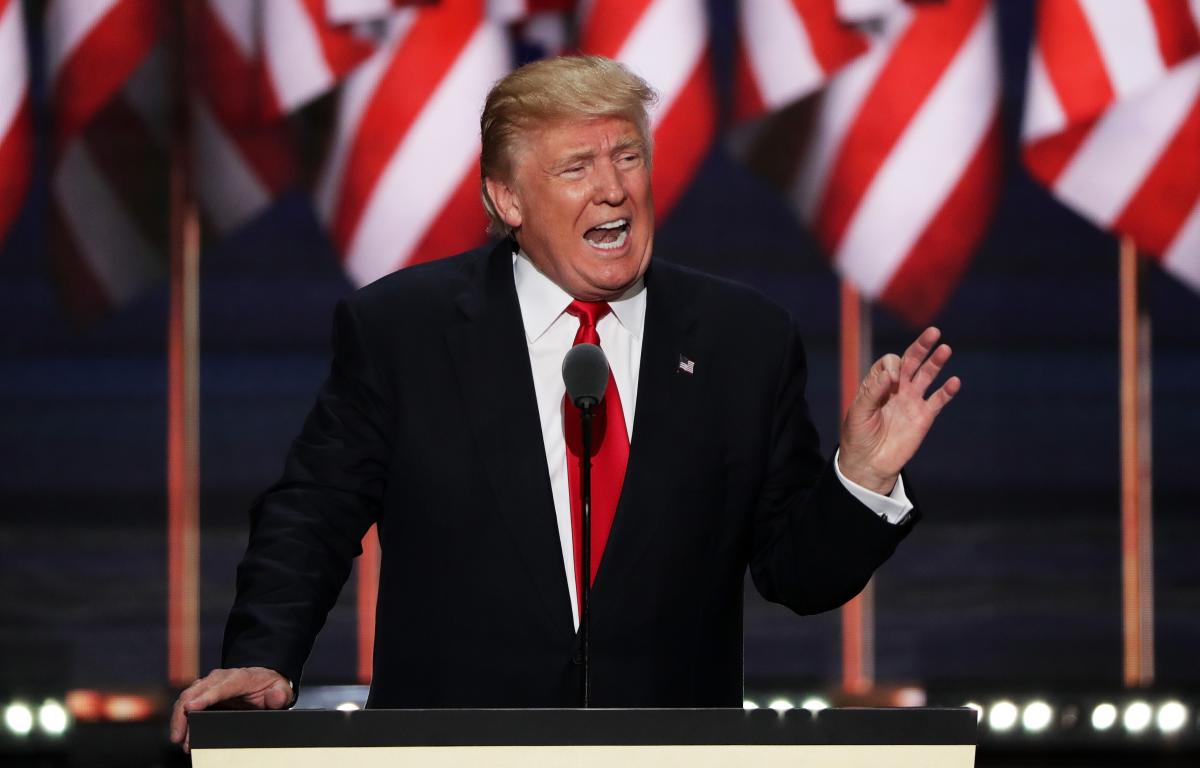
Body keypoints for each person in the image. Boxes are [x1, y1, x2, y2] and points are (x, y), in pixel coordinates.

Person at [171, 55, 958, 748]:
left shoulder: (741, 339)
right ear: (508, 199)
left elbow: (800, 575)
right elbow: (313, 512)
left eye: (628, 156)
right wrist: (264, 654)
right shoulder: (403, 331)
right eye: (577, 166)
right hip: (456, 750)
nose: (614, 188)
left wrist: (860, 478)